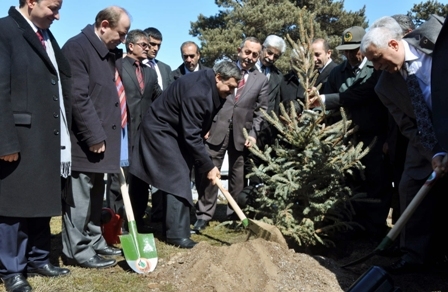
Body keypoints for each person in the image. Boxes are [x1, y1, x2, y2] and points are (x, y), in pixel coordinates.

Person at [361, 15, 448, 274]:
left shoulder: (435, 39)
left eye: (377, 58)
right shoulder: (384, 87)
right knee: (409, 185)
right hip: (426, 139)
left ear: (395, 45)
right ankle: (413, 254)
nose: (376, 67)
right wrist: (434, 153)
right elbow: (407, 125)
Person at [129, 61, 241, 248]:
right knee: (177, 175)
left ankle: (165, 225)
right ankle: (177, 234)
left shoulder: (211, 84)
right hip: (160, 130)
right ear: (218, 77)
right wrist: (209, 166)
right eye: (229, 87)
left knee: (176, 173)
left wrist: (202, 127)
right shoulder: (197, 91)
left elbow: (196, 123)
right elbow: (191, 136)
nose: (231, 92)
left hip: (176, 130)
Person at [0, 0, 71, 290]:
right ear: (31, 2)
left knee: (41, 199)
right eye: (53, 7)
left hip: (46, 134)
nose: (58, 14)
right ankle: (12, 269)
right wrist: (5, 140)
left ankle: (39, 258)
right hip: (19, 135)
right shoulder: (4, 31)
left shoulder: (45, 34)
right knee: (14, 207)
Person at [61, 6, 131, 269]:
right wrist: (92, 134)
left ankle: (93, 237)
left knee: (96, 196)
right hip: (85, 142)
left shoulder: (107, 53)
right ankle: (77, 250)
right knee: (79, 198)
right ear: (104, 25)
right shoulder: (77, 48)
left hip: (104, 142)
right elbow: (78, 97)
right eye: (121, 34)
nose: (123, 40)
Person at [312, 26, 391, 239]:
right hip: (347, 138)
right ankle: (353, 228)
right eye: (345, 50)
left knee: (376, 183)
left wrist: (327, 99)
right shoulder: (338, 72)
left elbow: (360, 94)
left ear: (364, 48)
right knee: (351, 183)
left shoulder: (375, 69)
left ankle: (375, 231)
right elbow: (326, 104)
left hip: (374, 138)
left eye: (353, 50)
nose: (349, 55)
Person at [193, 37, 269, 232]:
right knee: (210, 174)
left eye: (254, 54)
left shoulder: (261, 80)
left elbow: (262, 111)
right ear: (239, 50)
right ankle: (203, 215)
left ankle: (235, 216)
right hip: (216, 131)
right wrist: (205, 126)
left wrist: (252, 135)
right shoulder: (222, 71)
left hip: (242, 136)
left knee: (238, 178)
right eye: (247, 52)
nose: (250, 57)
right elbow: (207, 99)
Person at [106, 29, 162, 231]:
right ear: (131, 46)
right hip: (121, 132)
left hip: (143, 135)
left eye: (149, 45)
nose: (149, 48)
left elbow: (159, 99)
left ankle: (136, 221)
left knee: (139, 179)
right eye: (144, 45)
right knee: (118, 180)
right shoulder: (117, 66)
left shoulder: (149, 72)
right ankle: (114, 221)